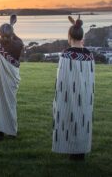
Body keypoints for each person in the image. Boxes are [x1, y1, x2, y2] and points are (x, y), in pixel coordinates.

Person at [52, 16, 95, 160]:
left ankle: (72, 149)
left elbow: (62, 78)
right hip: (86, 93)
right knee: (83, 119)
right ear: (82, 36)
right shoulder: (89, 55)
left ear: (69, 36)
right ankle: (80, 150)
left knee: (70, 118)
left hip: (69, 93)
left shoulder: (66, 54)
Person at [0, 15, 24, 141]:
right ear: (12, 33)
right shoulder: (18, 45)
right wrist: (11, 29)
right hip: (12, 81)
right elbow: (17, 40)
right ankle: (12, 132)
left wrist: (4, 34)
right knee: (10, 104)